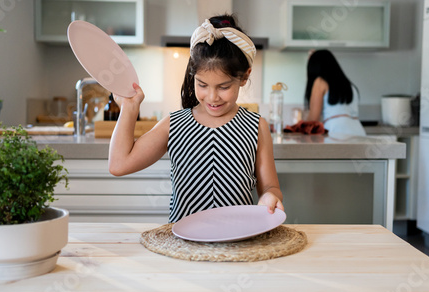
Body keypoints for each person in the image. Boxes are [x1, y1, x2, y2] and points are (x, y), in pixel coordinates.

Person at [109, 15, 284, 223]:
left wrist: (270, 196)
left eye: (224, 87)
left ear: (245, 77)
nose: (212, 97)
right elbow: (119, 165)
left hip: (238, 241)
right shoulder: (174, 124)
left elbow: (271, 187)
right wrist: (129, 107)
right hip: (183, 245)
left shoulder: (256, 126)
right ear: (193, 76)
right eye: (202, 85)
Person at [304, 49, 366, 136]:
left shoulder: (320, 82)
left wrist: (299, 126)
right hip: (358, 132)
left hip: (336, 132)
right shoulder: (349, 85)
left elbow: (313, 120)